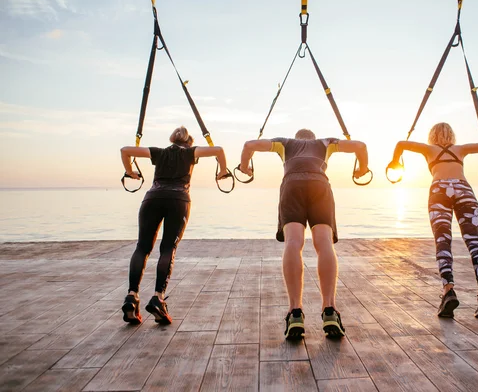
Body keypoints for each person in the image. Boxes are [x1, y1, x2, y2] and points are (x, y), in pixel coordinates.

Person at [239, 129, 369, 339]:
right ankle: (330, 310)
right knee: (324, 243)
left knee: (293, 242)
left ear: (298, 138)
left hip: (292, 185)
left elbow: (248, 145)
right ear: (312, 138)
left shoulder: (285, 143)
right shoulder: (325, 143)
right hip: (319, 184)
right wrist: (362, 168)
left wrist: (245, 167)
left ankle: (295, 312)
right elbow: (360, 146)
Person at [387, 122, 478, 319]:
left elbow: (400, 143)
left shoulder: (429, 149)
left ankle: (448, 290)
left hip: (440, 190)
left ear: (432, 136)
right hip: (464, 191)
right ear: (452, 136)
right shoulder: (461, 149)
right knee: (474, 242)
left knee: (443, 241)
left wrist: (396, 162)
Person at [120, 126, 228, 325]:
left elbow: (125, 150)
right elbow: (219, 150)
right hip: (178, 199)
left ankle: (131, 296)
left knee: (142, 247)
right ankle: (158, 297)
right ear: (189, 143)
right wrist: (222, 172)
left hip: (152, 198)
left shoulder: (159, 153)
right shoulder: (190, 152)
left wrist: (131, 172)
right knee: (168, 248)